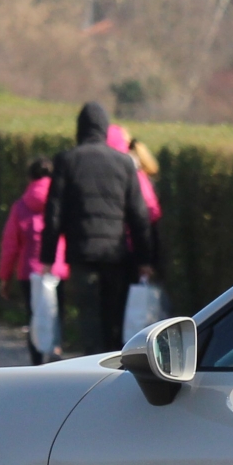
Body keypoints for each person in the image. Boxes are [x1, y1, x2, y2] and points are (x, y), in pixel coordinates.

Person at [41, 102, 154, 358]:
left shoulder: (67, 161)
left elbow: (54, 213)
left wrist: (47, 258)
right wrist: (145, 259)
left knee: (89, 316)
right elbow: (138, 215)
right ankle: (116, 365)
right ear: (105, 128)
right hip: (116, 255)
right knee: (114, 316)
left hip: (82, 253)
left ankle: (92, 366)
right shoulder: (124, 163)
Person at [0, 158, 68, 364]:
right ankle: (57, 350)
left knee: (34, 317)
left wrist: (4, 277)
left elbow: (10, 245)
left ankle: (36, 362)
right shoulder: (62, 203)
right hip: (58, 268)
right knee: (57, 314)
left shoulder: (21, 206)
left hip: (29, 271)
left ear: (30, 177)